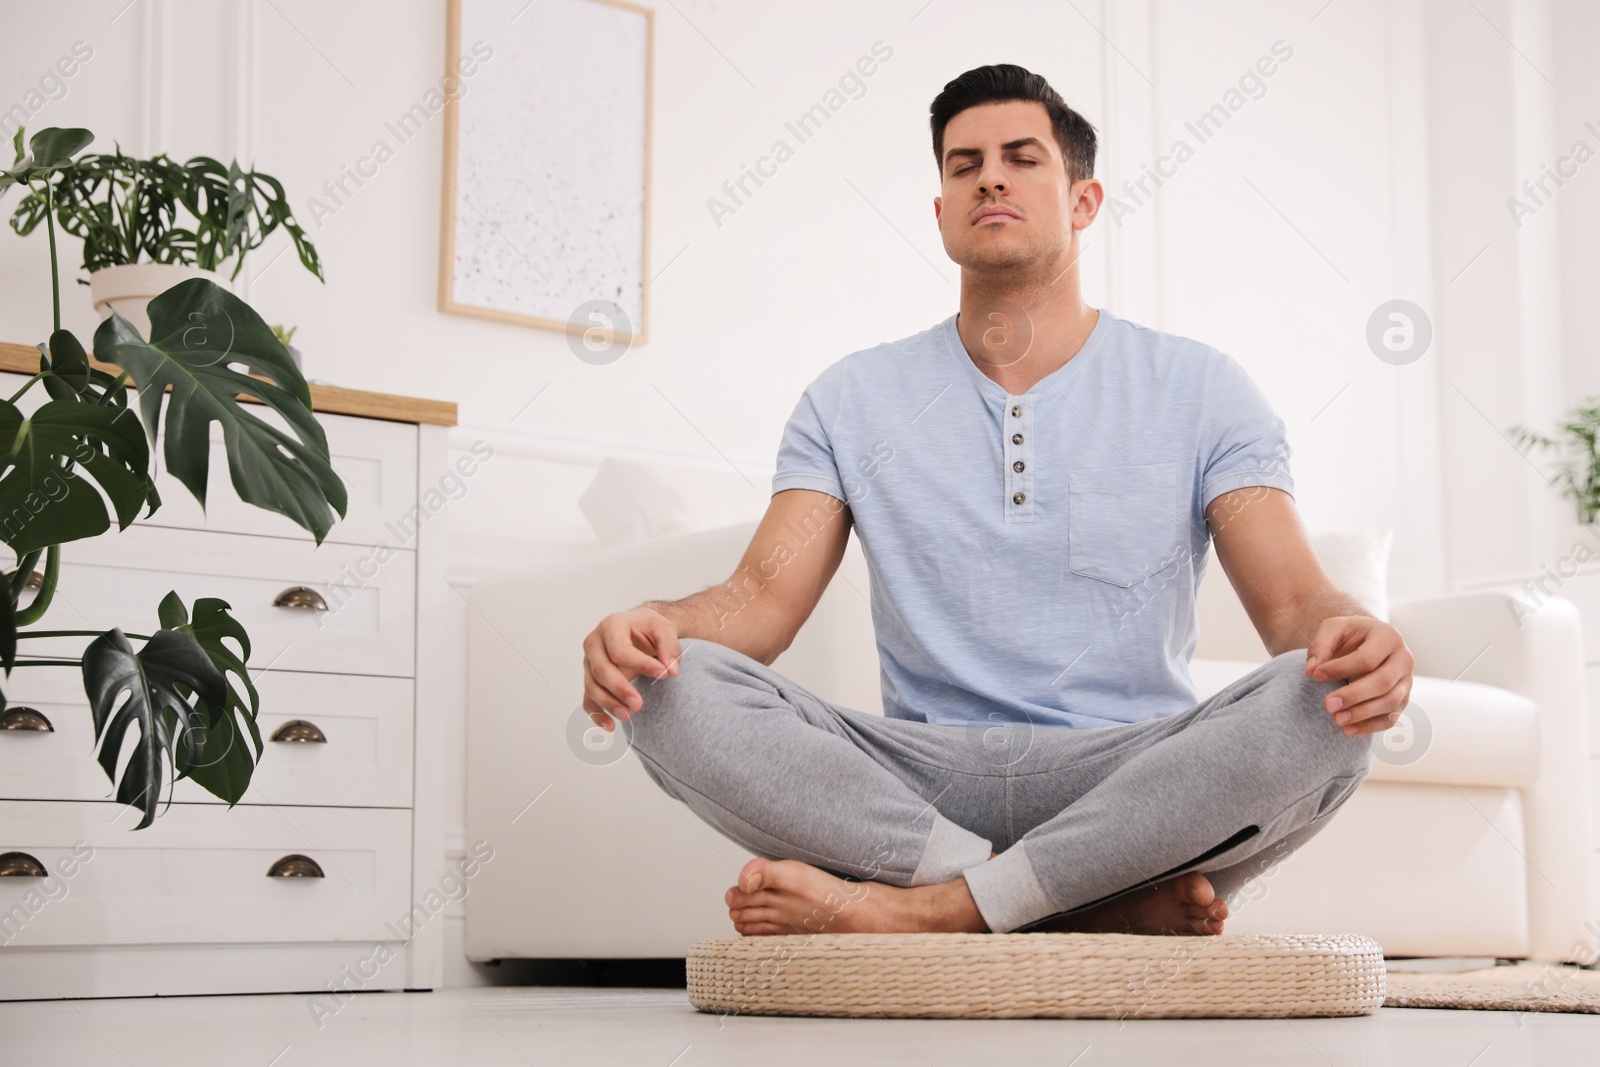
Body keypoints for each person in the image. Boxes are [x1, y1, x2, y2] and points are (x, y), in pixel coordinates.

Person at [579, 64, 1413, 938]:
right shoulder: (850, 397)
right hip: (919, 781)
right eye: (963, 163)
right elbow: (758, 604)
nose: (991, 177)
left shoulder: (1204, 388)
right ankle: (1076, 900)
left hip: (1129, 773)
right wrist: (651, 623)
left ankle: (932, 912)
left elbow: (1291, 604)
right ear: (941, 210)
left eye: (1022, 157)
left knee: (1328, 704)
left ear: (1084, 201)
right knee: (667, 685)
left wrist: (1352, 633)